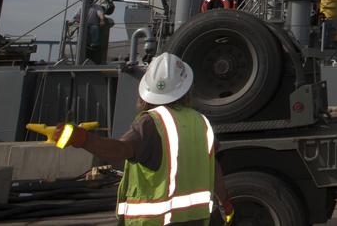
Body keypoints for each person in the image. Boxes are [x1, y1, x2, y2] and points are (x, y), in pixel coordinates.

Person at [54, 53, 232, 223]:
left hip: (155, 222)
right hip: (196, 220)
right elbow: (213, 167)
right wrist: (224, 201)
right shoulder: (200, 122)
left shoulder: (151, 122)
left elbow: (120, 150)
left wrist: (83, 139)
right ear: (187, 88)